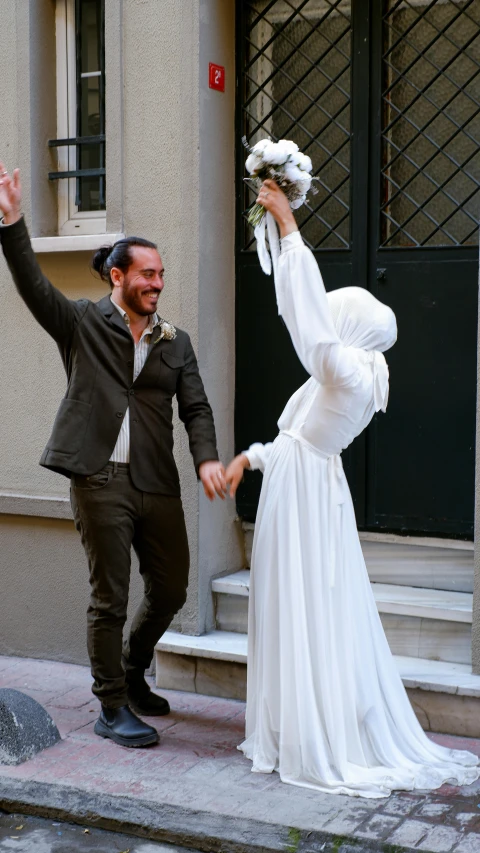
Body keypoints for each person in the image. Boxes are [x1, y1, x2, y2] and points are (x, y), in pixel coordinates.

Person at [225, 178, 480, 798]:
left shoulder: (343, 373)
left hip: (306, 500)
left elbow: (308, 327)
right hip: (308, 489)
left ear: (351, 326)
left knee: (304, 602)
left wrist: (289, 229)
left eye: (339, 314)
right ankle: (304, 721)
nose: (329, 316)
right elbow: (296, 429)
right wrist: (251, 459)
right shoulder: (354, 374)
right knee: (307, 603)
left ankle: (315, 732)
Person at [0, 162, 226, 749]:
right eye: (147, 274)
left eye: (161, 275)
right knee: (111, 596)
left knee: (171, 589)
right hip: (98, 478)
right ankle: (111, 705)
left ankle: (132, 668)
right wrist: (14, 223)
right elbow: (32, 284)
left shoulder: (174, 342)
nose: (156, 283)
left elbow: (196, 409)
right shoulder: (80, 322)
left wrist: (206, 459)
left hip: (156, 481)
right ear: (118, 277)